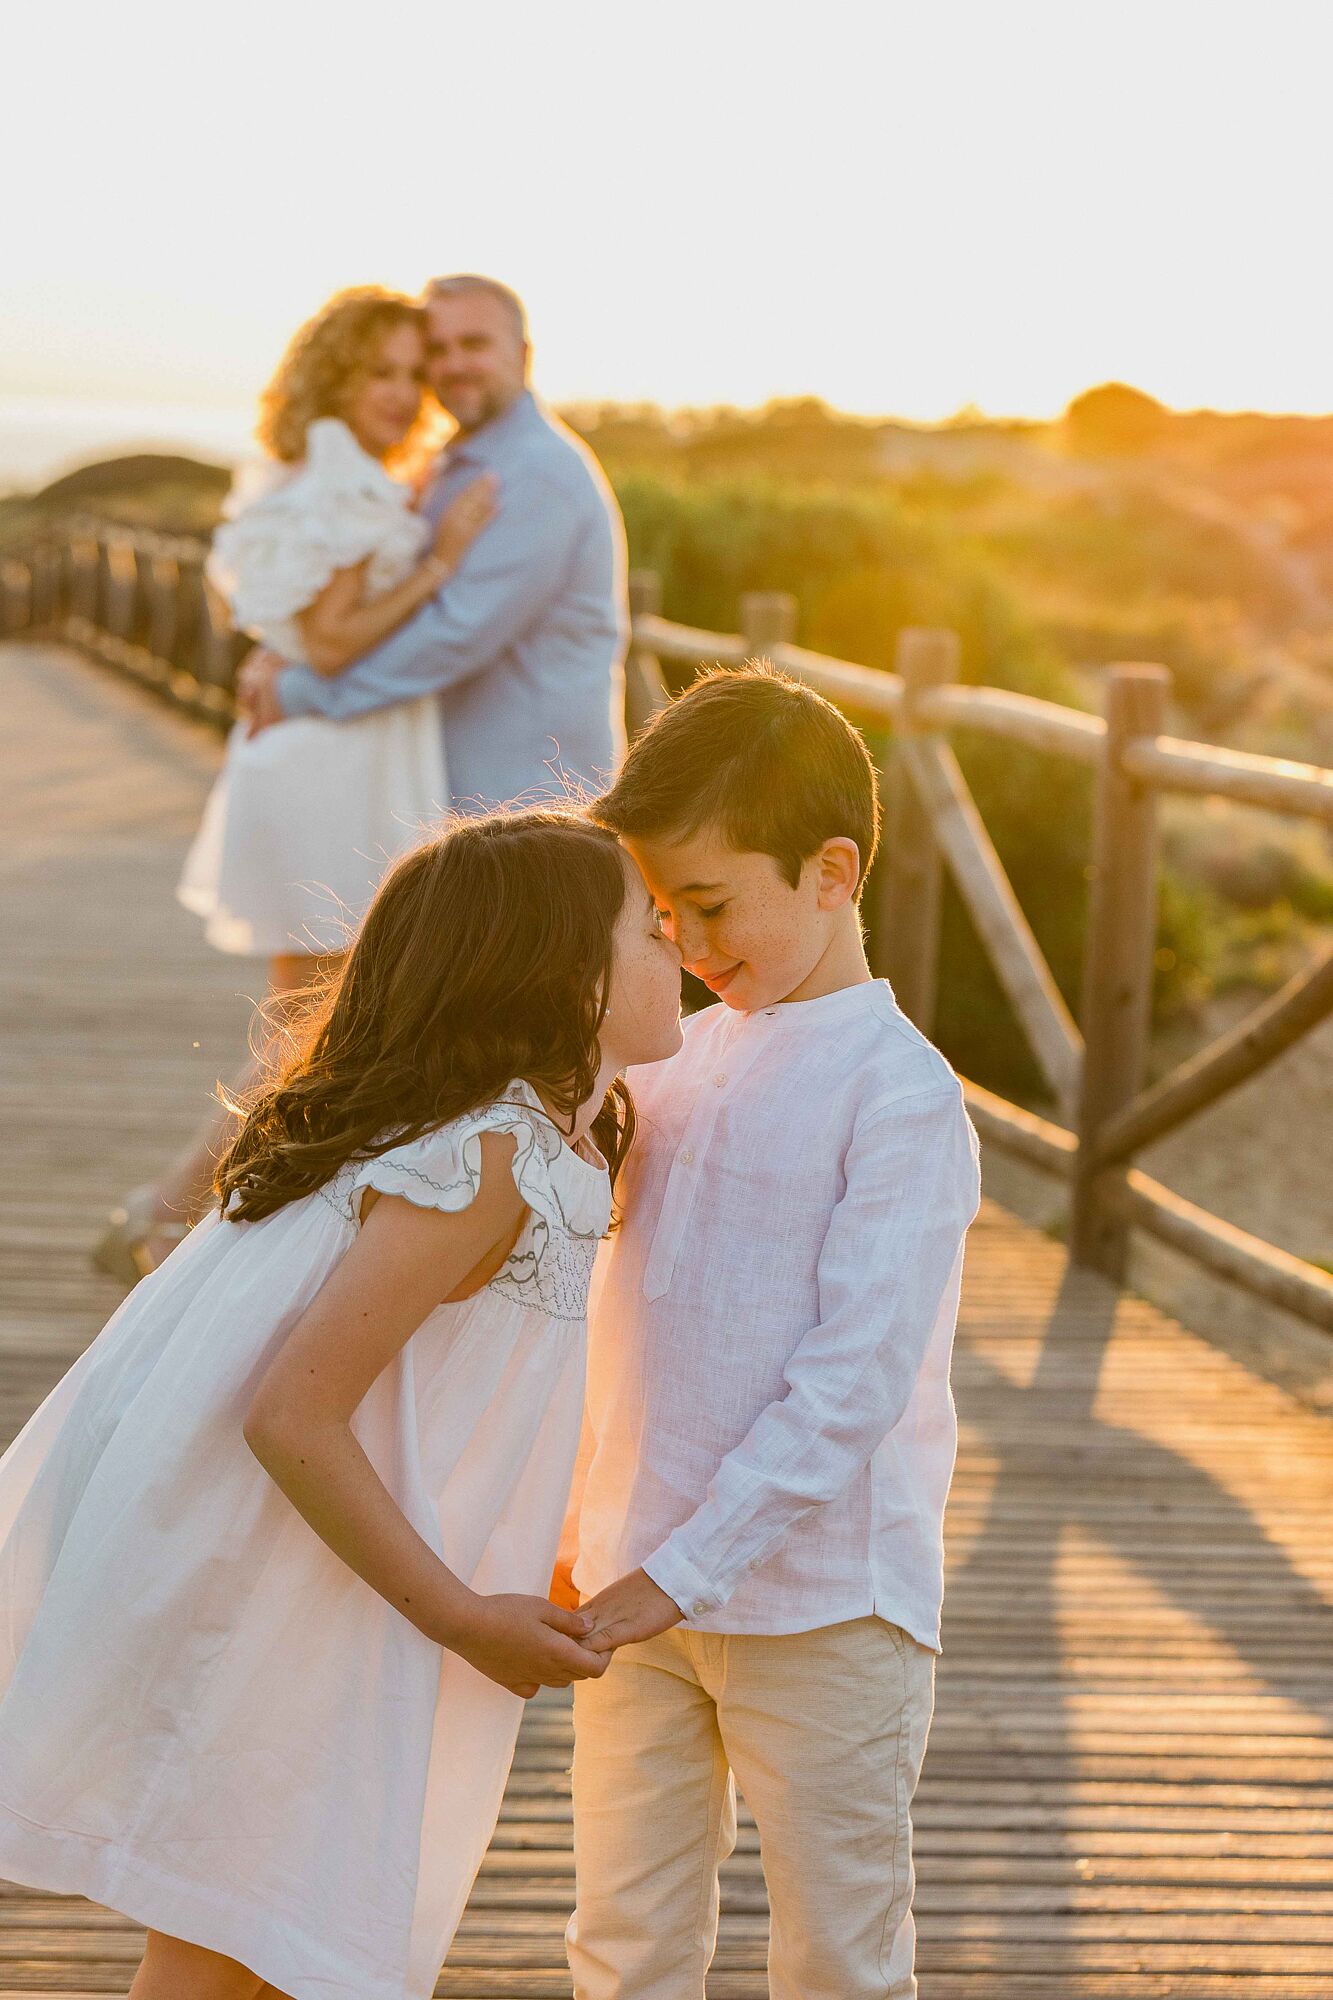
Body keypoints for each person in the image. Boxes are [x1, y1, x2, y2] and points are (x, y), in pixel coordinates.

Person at [0, 809, 684, 2000]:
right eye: (651, 925)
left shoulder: (530, 1145)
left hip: (338, 1590)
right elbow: (292, 1410)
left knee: (261, 1941)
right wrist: (465, 1614)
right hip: (292, 1602)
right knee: (231, 1943)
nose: (676, 945)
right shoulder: (490, 1162)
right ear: (567, 977)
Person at [564, 666, 982, 2000]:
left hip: (824, 1607)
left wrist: (686, 1569)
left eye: (712, 902)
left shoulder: (900, 1097)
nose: (686, 940)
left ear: (832, 871)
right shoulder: (668, 1058)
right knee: (622, 1939)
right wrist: (589, 1535)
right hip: (632, 1582)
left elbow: (852, 1384)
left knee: (836, 1954)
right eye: (660, 912)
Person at [96, 286, 496, 1282]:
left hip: (319, 757)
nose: (406, 394)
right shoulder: (344, 482)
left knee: (304, 1012)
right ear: (335, 377)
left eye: (415, 373)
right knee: (313, 1017)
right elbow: (330, 636)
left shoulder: (333, 469)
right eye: (383, 372)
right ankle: (170, 1214)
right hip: (332, 765)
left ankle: (193, 1220)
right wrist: (442, 561)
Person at [240, 274, 628, 814]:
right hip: (449, 799)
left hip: (531, 806)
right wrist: (286, 648)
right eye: (437, 351)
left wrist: (299, 693)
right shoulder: (454, 463)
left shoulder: (537, 473)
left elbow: (453, 634)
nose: (452, 365)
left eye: (474, 344)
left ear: (522, 354)